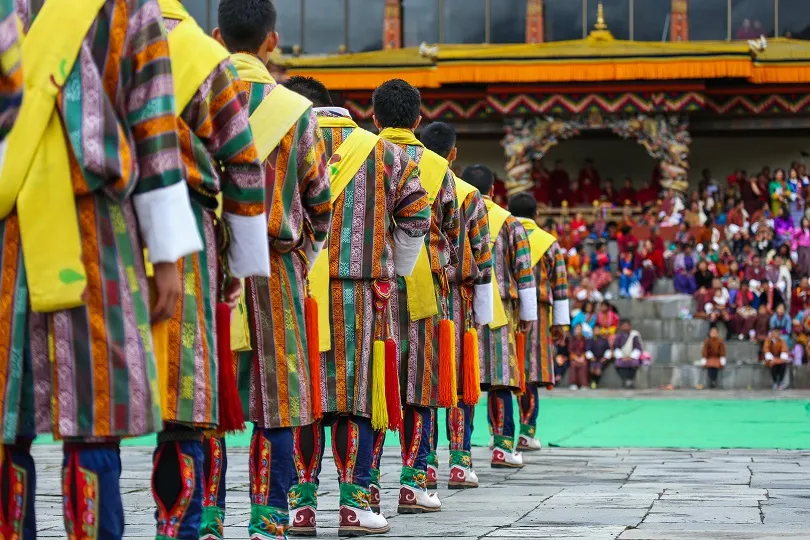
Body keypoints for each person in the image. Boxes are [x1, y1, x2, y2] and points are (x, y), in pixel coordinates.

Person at [1, 1, 208, 537]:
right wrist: (166, 258)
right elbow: (154, 135)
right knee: (94, 415)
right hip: (101, 230)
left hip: (7, 223)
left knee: (4, 419)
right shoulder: (131, 10)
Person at [278, 76, 430, 535]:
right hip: (360, 293)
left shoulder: (286, 140)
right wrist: (395, 267)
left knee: (306, 402)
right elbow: (417, 216)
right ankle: (354, 506)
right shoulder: (384, 151)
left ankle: (300, 509)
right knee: (355, 402)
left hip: (296, 289)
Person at [157, 1, 275, 537]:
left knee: (91, 414)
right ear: (269, 39)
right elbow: (244, 168)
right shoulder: (206, 59)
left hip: (81, 228)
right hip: (188, 233)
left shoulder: (56, 33)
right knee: (187, 395)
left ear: (221, 29)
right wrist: (239, 266)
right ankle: (187, 525)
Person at [374, 79, 460, 513]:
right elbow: (452, 234)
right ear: (418, 120)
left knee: (368, 388)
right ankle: (415, 482)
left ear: (373, 118)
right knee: (419, 389)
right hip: (423, 289)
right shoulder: (438, 168)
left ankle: (363, 490)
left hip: (368, 288)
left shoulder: (357, 156)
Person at [421, 122, 492, 491]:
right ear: (452, 154)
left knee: (420, 384)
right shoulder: (467, 193)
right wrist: (483, 315)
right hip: (455, 304)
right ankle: (460, 462)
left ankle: (425, 464)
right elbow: (481, 257)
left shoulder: (400, 171)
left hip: (406, 299)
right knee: (460, 384)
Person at [463, 165, 536, 468]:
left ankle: (459, 456)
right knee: (501, 381)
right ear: (493, 190)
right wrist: (528, 315)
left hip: (462, 309)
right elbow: (524, 271)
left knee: (462, 386)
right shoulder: (509, 222)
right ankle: (503, 448)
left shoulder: (455, 212)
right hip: (499, 312)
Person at [509, 192, 569, 451]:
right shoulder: (549, 242)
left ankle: (496, 434)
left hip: (506, 308)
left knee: (502, 372)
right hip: (540, 315)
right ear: (536, 214)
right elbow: (561, 286)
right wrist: (560, 324)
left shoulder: (503, 234)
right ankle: (526, 433)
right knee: (530, 373)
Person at [613, 319, 646, 389]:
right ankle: (625, 380)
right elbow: (616, 347)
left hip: (631, 356)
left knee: (634, 362)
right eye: (624, 326)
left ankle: (630, 380)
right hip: (622, 356)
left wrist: (631, 356)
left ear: (630, 326)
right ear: (621, 327)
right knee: (618, 362)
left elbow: (638, 347)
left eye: (627, 326)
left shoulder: (634, 335)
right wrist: (622, 357)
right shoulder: (619, 336)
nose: (625, 327)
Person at [567, 325, 589, 390]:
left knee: (584, 364)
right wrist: (576, 358)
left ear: (582, 331)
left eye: (580, 329)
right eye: (577, 329)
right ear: (574, 330)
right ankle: (573, 384)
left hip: (582, 358)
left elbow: (586, 349)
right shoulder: (571, 339)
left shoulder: (585, 339)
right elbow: (570, 350)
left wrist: (582, 357)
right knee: (573, 364)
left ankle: (583, 384)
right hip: (574, 358)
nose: (578, 331)